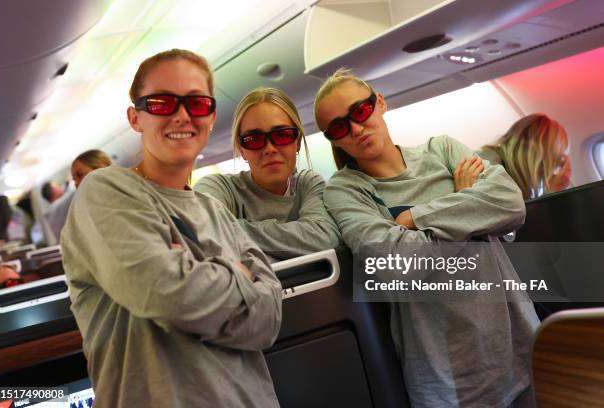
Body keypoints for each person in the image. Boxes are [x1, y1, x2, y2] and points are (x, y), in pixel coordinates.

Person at [61, 49, 282, 407]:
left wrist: (199, 274)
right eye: (162, 103)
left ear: (211, 116)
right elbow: (165, 294)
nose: (182, 115)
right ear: (136, 117)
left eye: (196, 103)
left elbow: (269, 319)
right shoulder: (105, 191)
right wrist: (241, 278)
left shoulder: (216, 210)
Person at [314, 68, 539, 408]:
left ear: (379, 103)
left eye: (359, 112)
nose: (356, 128)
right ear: (333, 139)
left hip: (521, 347)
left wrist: (415, 218)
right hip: (448, 379)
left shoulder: (442, 150)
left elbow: (509, 203)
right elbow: (397, 267)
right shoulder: (345, 192)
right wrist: (466, 203)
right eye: (339, 127)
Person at [195, 87, 340, 260]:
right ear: (242, 150)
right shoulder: (218, 188)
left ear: (298, 142)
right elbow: (203, 230)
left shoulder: (308, 184)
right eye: (254, 139)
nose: (269, 149)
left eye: (282, 135)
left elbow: (324, 238)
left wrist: (232, 230)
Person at [479, 113, 572, 199]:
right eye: (553, 162)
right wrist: (552, 192)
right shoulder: (490, 168)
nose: (546, 173)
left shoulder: (517, 182)